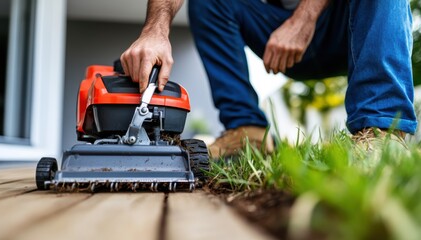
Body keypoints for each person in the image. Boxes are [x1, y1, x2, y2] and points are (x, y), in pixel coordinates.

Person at [120, 0, 417, 159]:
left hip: (349, 27)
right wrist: (155, 30)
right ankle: (248, 131)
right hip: (276, 35)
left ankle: (382, 132)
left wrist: (303, 19)